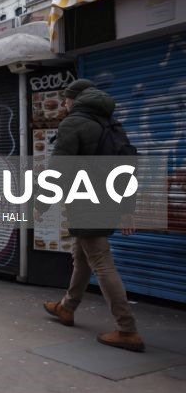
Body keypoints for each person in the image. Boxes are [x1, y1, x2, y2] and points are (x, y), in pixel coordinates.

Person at [37, 79, 144, 352]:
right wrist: (126, 209)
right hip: (108, 200)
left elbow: (58, 169)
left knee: (100, 260)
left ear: (75, 99)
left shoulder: (74, 123)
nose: (64, 103)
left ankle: (127, 329)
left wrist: (41, 203)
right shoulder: (111, 124)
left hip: (86, 201)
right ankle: (67, 307)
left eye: (67, 99)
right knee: (81, 255)